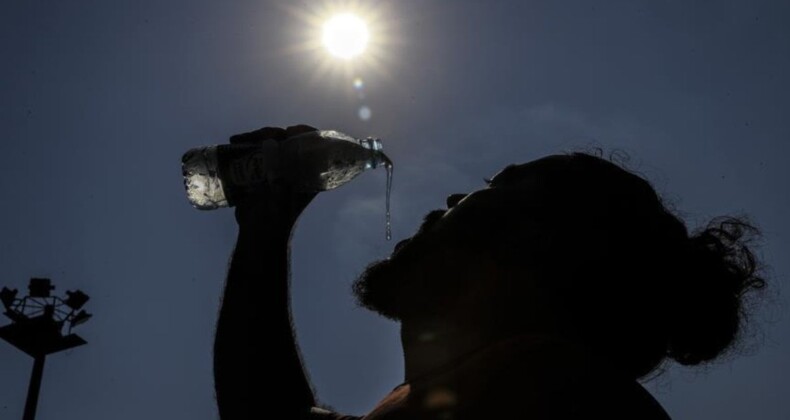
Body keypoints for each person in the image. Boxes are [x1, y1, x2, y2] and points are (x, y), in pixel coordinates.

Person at [212, 125, 765, 419]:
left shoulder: (561, 395)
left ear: (540, 239)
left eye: (498, 184)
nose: (454, 195)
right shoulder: (474, 393)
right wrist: (264, 228)